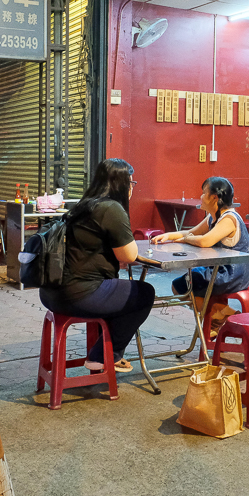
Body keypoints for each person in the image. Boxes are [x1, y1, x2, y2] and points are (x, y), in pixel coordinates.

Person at [39, 158, 154, 373]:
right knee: (144, 293)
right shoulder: (111, 209)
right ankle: (105, 355)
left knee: (117, 289)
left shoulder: (84, 205)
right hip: (79, 295)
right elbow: (129, 255)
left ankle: (103, 351)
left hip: (51, 292)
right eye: (131, 183)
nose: (132, 187)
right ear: (120, 184)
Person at [151, 177, 249, 333]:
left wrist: (186, 239)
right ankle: (219, 314)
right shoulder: (213, 217)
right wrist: (169, 236)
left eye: (203, 193)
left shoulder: (229, 219)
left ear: (214, 197)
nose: (200, 197)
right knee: (181, 285)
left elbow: (205, 241)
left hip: (232, 274)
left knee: (182, 286)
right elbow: (192, 233)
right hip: (220, 270)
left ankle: (220, 316)